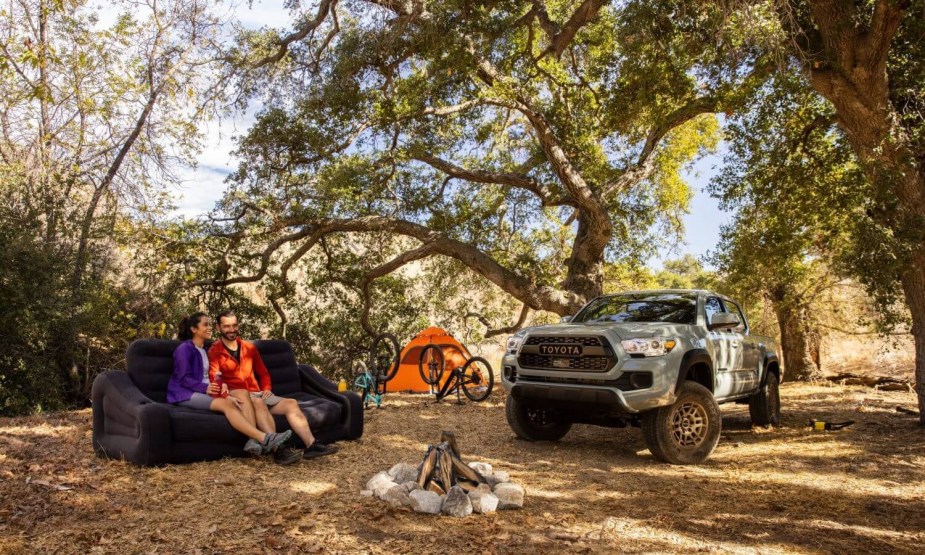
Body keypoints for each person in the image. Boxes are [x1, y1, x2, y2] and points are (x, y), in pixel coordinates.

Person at [209, 310, 337, 464]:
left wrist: (267, 389)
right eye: (227, 326)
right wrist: (226, 396)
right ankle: (280, 451)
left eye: (234, 325)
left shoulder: (249, 348)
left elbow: (263, 373)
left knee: (291, 403)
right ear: (218, 328)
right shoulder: (214, 351)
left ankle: (311, 445)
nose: (231, 329)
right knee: (258, 402)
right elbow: (215, 379)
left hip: (257, 393)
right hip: (239, 396)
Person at [166, 312, 292, 458]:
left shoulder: (204, 350)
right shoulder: (184, 349)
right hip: (184, 394)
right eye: (205, 325)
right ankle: (263, 438)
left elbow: (209, 377)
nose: (209, 328)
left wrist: (222, 388)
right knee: (227, 405)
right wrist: (206, 388)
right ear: (194, 329)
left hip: (201, 390)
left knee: (241, 394)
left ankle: (254, 441)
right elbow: (183, 378)